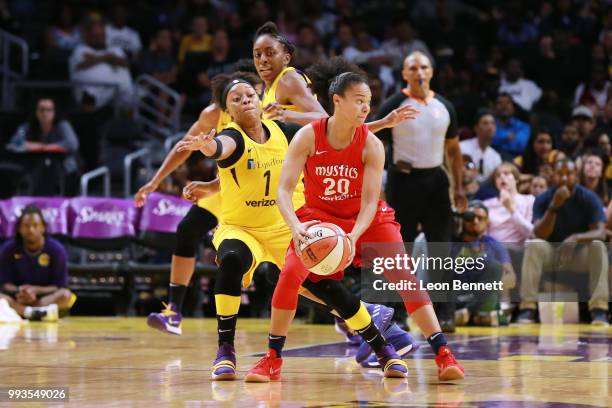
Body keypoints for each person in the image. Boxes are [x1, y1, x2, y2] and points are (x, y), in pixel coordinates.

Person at [159, 72, 417, 380]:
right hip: (243, 229)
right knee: (230, 260)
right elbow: (223, 148)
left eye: (249, 96)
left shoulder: (283, 131)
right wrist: (209, 148)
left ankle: (381, 347)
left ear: (259, 99)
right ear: (228, 111)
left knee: (328, 288)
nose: (244, 101)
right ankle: (225, 350)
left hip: (286, 227)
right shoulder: (232, 136)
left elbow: (335, 131)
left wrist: (381, 124)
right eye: (235, 99)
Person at [245, 71, 464, 383]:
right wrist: (295, 226)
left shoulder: (372, 144)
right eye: (359, 101)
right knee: (290, 275)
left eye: (368, 102)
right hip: (318, 218)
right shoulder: (308, 136)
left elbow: (370, 202)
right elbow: (283, 190)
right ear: (337, 101)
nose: (365, 108)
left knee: (404, 275)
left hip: (368, 221)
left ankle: (443, 354)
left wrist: (352, 237)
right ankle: (272, 359)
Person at [375, 51, 466, 331]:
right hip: (403, 182)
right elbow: (373, 143)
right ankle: (397, 313)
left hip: (437, 182)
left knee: (442, 248)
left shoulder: (445, 106)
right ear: (404, 74)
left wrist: (459, 187)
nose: (419, 72)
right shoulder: (394, 105)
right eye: (413, 68)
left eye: (424, 67)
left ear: (431, 72)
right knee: (400, 250)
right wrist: (377, 187)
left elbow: (453, 149)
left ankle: (445, 313)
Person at [517, 159, 609, 326]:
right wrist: (554, 206)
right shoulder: (544, 198)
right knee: (534, 244)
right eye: (560, 174)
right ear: (553, 176)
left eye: (569, 174)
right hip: (551, 254)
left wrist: (576, 238)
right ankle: (527, 308)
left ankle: (599, 309)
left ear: (576, 176)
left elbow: (601, 232)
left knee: (598, 246)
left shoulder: (588, 197)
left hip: (578, 255)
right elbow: (538, 233)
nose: (565, 178)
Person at [0, 206, 75, 321]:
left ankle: (29, 312)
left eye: (35, 225)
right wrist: (21, 290)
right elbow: (5, 284)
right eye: (26, 226)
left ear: (43, 227)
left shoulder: (57, 250)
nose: (31, 229)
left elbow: (59, 286)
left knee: (65, 295)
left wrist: (35, 290)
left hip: (44, 298)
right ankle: (34, 313)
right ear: (19, 228)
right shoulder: (8, 249)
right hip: (18, 297)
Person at [452, 201, 515, 326]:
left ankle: (468, 314)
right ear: (463, 219)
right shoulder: (451, 242)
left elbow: (511, 278)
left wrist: (489, 285)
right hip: (457, 296)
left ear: (487, 222)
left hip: (482, 297)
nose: (475, 221)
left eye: (480, 218)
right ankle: (472, 316)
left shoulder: (494, 244)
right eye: (470, 217)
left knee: (495, 267)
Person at [8, 97, 80, 195]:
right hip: (33, 169)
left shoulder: (62, 125)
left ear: (55, 112)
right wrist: (25, 146)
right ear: (36, 112)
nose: (45, 113)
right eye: (41, 109)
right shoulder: (27, 126)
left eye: (49, 110)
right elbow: (14, 144)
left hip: (62, 168)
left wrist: (42, 147)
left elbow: (73, 144)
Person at [69, 18, 133, 110]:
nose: (100, 39)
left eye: (102, 36)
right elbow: (81, 65)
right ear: (88, 36)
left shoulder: (115, 49)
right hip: (90, 99)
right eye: (96, 36)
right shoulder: (80, 50)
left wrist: (98, 59)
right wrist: (108, 58)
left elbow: (125, 63)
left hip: (120, 98)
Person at [484, 163, 534, 244]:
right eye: (498, 176)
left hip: (519, 248)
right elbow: (484, 235)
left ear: (516, 179)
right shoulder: (487, 204)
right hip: (494, 249)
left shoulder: (528, 200)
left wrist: (511, 209)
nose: (502, 177)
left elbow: (530, 233)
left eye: (506, 174)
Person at [460, 109, 502, 182]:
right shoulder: (462, 147)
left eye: (493, 123)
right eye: (485, 123)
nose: (490, 127)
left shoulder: (496, 157)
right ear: (476, 128)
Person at [491, 92, 531, 159]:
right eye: (500, 103)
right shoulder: (490, 124)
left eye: (508, 103)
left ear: (513, 108)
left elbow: (520, 146)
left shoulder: (523, 127)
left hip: (515, 160)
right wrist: (506, 137)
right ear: (494, 108)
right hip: (492, 159)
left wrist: (497, 141)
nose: (504, 106)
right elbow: (487, 142)